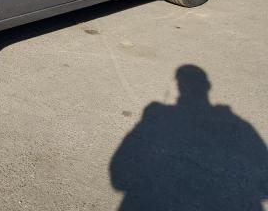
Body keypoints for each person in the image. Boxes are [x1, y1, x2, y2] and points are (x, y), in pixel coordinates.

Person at [110, 65, 268, 211]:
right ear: (207, 86)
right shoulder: (239, 125)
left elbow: (118, 175)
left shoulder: (156, 114)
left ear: (180, 86)